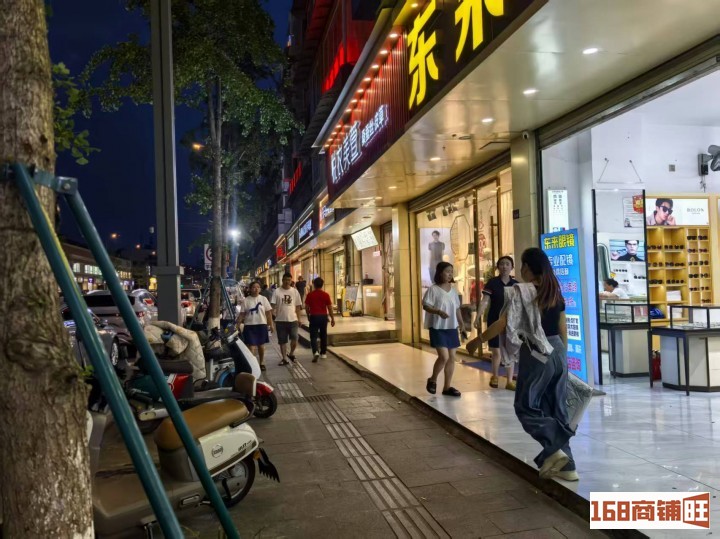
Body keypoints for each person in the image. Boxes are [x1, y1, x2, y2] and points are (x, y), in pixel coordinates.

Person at [481, 248, 576, 481]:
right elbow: (562, 327)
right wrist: (562, 358)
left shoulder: (521, 291)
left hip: (536, 351)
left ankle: (555, 446)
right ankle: (568, 467)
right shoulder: (554, 290)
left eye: (522, 264)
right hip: (558, 350)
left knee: (526, 405)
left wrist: (478, 340)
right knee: (556, 408)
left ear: (527, 268)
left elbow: (503, 323)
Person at [466, 256, 518, 390]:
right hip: (494, 319)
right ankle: (494, 376)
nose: (504, 266)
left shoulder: (516, 284)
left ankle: (509, 381)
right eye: (502, 264)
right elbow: (485, 301)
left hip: (511, 322)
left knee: (510, 351)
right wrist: (478, 316)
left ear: (512, 267)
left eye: (507, 264)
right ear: (498, 267)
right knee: (496, 350)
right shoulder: (492, 283)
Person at [423, 262, 465, 398]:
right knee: (444, 357)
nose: (450, 274)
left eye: (451, 271)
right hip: (438, 327)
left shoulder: (453, 290)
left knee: (452, 357)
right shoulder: (433, 289)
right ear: (440, 273)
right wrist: (438, 312)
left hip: (451, 327)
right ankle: (433, 379)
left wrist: (462, 324)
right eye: (447, 271)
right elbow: (426, 306)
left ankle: (447, 387)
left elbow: (457, 309)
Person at [237, 281, 274, 372]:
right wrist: (237, 324)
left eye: (258, 287)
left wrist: (271, 324)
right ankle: (253, 365)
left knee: (261, 346)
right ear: (250, 289)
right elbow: (242, 314)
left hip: (261, 324)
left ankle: (261, 362)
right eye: (254, 287)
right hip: (249, 326)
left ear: (260, 289)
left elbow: (268, 313)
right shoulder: (246, 300)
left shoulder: (263, 299)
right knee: (251, 346)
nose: (256, 289)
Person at [272, 273, 302, 365]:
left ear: (291, 281)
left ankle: (291, 353)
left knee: (295, 338)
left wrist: (299, 319)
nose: (287, 282)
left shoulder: (295, 292)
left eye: (289, 280)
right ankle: (284, 358)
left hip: (293, 320)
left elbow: (298, 307)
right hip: (280, 320)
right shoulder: (277, 291)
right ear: (282, 280)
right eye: (285, 280)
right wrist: (272, 317)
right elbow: (272, 305)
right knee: (282, 341)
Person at [305, 277, 335, 362]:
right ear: (322, 285)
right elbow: (329, 308)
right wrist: (332, 318)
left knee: (313, 336)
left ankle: (315, 352)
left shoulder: (310, 295)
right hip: (323, 317)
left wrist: (308, 315)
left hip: (314, 316)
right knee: (323, 335)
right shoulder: (326, 295)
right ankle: (323, 353)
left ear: (314, 285)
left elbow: (306, 307)